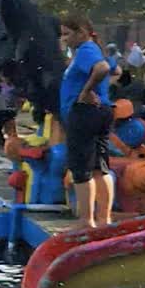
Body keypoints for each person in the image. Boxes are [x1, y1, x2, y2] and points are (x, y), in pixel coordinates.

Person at [60, 13, 114, 228]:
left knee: (81, 168)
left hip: (84, 114)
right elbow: (115, 68)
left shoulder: (86, 50)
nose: (64, 39)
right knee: (100, 167)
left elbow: (103, 68)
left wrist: (86, 91)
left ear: (81, 33)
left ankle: (86, 221)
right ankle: (104, 220)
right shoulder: (90, 51)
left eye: (67, 34)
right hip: (99, 112)